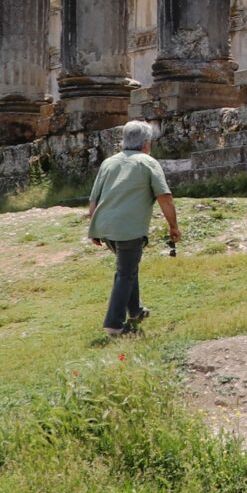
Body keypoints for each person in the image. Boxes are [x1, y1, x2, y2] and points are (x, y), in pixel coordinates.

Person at [83, 120, 180, 335]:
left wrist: (94, 227)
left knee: (128, 268)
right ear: (146, 143)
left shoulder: (109, 162)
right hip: (129, 229)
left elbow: (93, 199)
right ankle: (114, 325)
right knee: (125, 273)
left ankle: (135, 311)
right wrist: (173, 226)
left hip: (106, 227)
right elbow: (164, 197)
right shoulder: (147, 162)